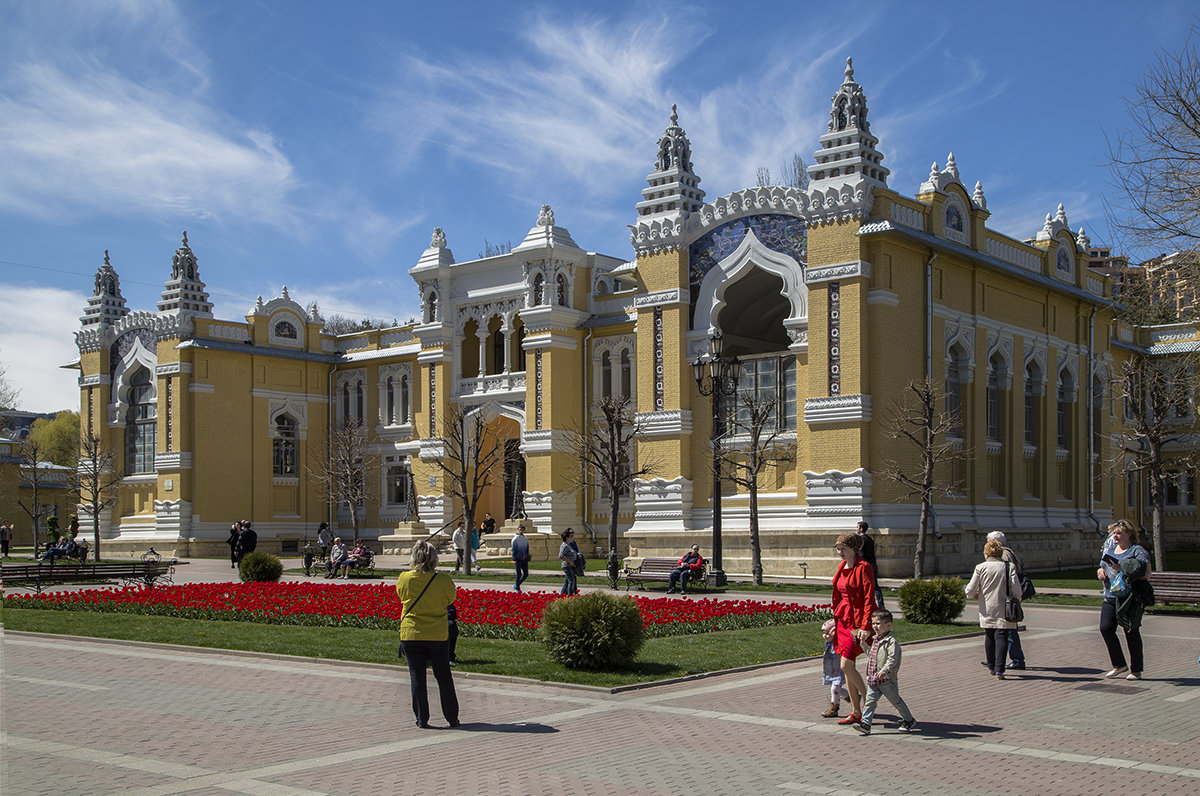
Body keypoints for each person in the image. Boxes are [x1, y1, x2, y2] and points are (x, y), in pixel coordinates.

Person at [396, 539, 460, 729]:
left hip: (411, 633)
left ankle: (422, 718)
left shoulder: (405, 578)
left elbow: (401, 596)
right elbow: (450, 599)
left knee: (417, 676)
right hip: (437, 634)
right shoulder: (443, 580)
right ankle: (451, 717)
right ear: (434, 559)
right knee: (443, 676)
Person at [831, 532, 876, 727]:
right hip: (842, 621)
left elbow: (868, 598)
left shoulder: (863, 568)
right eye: (838, 549)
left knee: (846, 666)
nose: (840, 552)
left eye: (843, 549)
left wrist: (866, 626)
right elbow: (839, 595)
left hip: (856, 623)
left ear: (854, 549)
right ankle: (856, 711)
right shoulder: (842, 567)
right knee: (848, 668)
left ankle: (869, 704)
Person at [1097, 519, 1151, 680]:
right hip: (1110, 595)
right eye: (1114, 533)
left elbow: (1146, 574)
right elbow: (1102, 566)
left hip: (1129, 598)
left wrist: (1123, 568)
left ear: (1129, 534)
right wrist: (1100, 572)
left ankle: (1136, 670)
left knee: (1131, 631)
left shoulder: (1137, 551)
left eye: (1119, 533)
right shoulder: (1111, 549)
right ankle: (1119, 664)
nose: (1115, 536)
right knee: (1105, 628)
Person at [852, 609, 917, 735]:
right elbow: (871, 655)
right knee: (870, 702)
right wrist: (863, 644)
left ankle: (909, 720)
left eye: (878, 624)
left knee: (896, 701)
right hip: (874, 679)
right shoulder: (876, 640)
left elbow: (893, 659)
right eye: (874, 623)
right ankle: (866, 724)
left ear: (888, 625)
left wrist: (884, 671)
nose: (875, 626)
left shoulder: (891, 643)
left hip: (886, 680)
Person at [965, 538, 1023, 679]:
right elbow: (1017, 590)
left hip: (987, 607)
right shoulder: (1009, 567)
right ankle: (1000, 669)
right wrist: (1016, 599)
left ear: (986, 553)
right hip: (1004, 607)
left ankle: (991, 666)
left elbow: (970, 590)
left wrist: (974, 595)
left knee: (989, 635)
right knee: (1002, 636)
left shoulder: (980, 567)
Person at [985, 531, 1027, 670]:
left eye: (988, 541)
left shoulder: (1003, 555)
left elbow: (1005, 577)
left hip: (1005, 598)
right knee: (1003, 630)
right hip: (1008, 597)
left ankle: (1015, 660)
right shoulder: (1008, 552)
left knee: (1008, 630)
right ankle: (997, 658)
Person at [820, 618, 851, 718]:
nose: (825, 636)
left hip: (839, 670)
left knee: (835, 688)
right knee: (836, 689)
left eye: (827, 633)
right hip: (832, 670)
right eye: (823, 633)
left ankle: (834, 708)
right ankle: (850, 697)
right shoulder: (829, 643)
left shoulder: (838, 643)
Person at [857, 521, 884, 609]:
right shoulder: (870, 539)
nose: (856, 529)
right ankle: (881, 604)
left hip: (865, 565)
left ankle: (867, 604)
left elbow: (861, 554)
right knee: (875, 585)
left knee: (864, 585)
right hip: (872, 563)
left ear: (861, 529)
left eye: (857, 527)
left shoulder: (861, 540)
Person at [558, 528, 580, 595]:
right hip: (567, 566)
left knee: (567, 582)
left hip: (571, 566)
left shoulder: (569, 545)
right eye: (571, 536)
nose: (572, 538)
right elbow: (560, 556)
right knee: (571, 581)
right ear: (567, 537)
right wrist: (569, 561)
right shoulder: (564, 546)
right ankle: (570, 596)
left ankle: (562, 595)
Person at [511, 524, 531, 592]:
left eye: (522, 530)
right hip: (518, 559)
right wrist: (514, 559)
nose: (521, 531)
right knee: (519, 574)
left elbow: (527, 548)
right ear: (518, 530)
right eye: (520, 529)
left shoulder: (525, 538)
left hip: (524, 558)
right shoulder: (515, 539)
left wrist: (527, 556)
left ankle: (517, 584)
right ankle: (517, 588)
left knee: (526, 574)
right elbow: (513, 549)